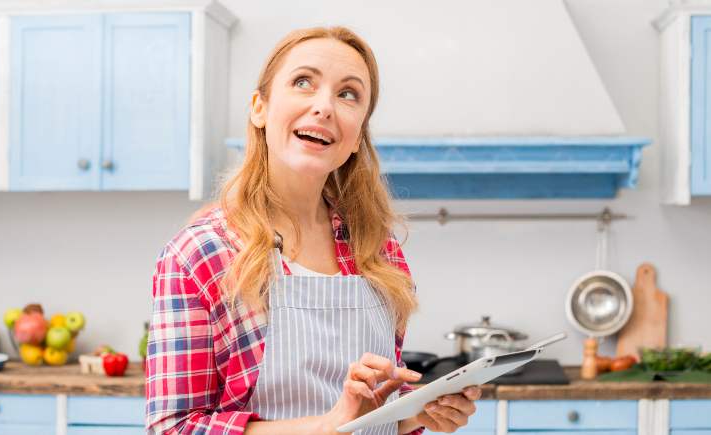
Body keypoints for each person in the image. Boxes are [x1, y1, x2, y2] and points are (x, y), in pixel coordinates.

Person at [145, 26, 481, 435]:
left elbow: (371, 418)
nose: (324, 106)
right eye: (303, 82)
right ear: (259, 108)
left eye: (348, 94)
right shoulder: (201, 253)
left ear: (358, 137)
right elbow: (173, 428)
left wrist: (414, 415)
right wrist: (325, 426)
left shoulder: (376, 249)